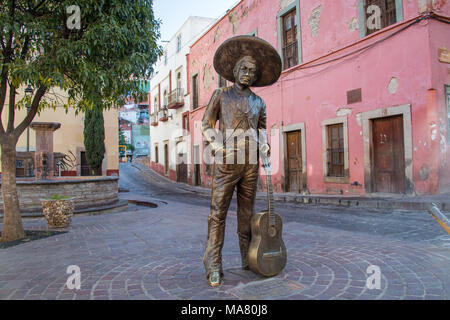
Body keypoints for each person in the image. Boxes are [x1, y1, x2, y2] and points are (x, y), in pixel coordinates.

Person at [201, 36, 282, 287]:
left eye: (252, 72)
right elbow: (205, 124)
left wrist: (265, 144)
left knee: (247, 216)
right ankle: (214, 264)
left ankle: (249, 258)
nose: (247, 74)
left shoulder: (259, 102)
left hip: (250, 166)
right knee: (218, 214)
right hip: (226, 165)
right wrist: (216, 146)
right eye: (244, 69)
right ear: (235, 71)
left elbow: (261, 129)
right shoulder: (220, 95)